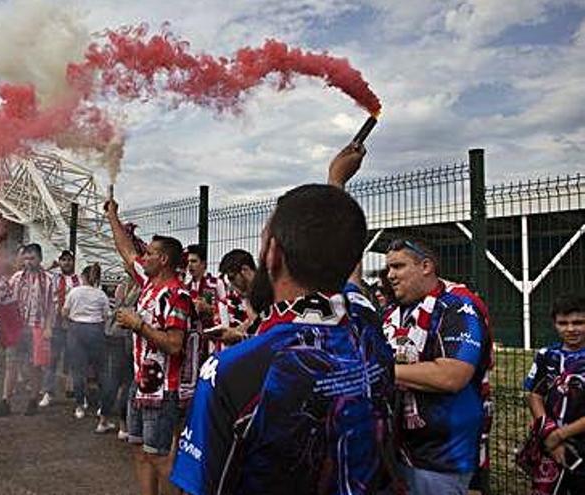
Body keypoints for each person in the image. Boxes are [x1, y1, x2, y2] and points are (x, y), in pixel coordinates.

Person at [171, 145, 396, 495]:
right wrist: (335, 183)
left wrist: (335, 181)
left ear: (273, 254)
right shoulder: (365, 325)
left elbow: (199, 486)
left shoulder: (230, 371)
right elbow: (346, 269)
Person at [383, 237, 492, 494]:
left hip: (442, 457)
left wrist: (378, 370)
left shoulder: (458, 305)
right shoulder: (394, 311)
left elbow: (452, 375)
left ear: (426, 266)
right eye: (388, 268)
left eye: (398, 266)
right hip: (399, 450)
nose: (390, 276)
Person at [105, 198, 194, 495]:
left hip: (163, 391)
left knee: (158, 456)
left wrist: (137, 325)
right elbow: (126, 250)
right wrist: (112, 216)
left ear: (164, 260)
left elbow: (175, 345)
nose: (144, 257)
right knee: (140, 452)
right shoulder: (148, 285)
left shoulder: (177, 296)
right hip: (140, 385)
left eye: (152, 253)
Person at [522, 293, 585, 494]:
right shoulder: (546, 355)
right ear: (554, 324)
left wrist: (560, 435)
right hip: (550, 445)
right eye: (563, 323)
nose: (571, 329)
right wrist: (548, 432)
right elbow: (535, 394)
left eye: (578, 322)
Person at [0, 243, 55, 416]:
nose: (28, 262)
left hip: (37, 327)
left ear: (40, 259)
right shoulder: (16, 277)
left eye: (32, 258)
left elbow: (51, 306)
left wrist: (49, 328)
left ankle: (33, 399)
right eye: (26, 258)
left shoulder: (48, 280)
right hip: (18, 328)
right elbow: (6, 299)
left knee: (35, 365)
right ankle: (5, 400)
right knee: (11, 363)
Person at [64, 264, 110, 421]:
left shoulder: (74, 292)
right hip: (95, 330)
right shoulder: (101, 294)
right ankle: (101, 406)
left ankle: (79, 405)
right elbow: (106, 316)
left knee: (78, 370)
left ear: (83, 277)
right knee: (100, 370)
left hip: (76, 330)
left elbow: (65, 311)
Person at [183, 244, 230, 385]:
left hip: (213, 341)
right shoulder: (185, 288)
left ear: (204, 263)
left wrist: (209, 309)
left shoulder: (216, 283)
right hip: (192, 342)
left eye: (194, 261)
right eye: (188, 262)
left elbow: (227, 310)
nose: (190, 265)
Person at [41, 249, 81, 407]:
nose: (66, 263)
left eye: (69, 260)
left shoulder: (79, 280)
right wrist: (52, 265)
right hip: (56, 322)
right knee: (52, 359)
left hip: (72, 322)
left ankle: (73, 389)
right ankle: (48, 392)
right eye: (63, 260)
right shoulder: (53, 278)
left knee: (73, 358)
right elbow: (39, 273)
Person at [103, 274, 140, 439]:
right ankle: (123, 425)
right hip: (128, 337)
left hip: (116, 335)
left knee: (114, 379)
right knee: (126, 382)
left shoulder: (121, 286)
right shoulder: (142, 287)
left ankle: (104, 419)